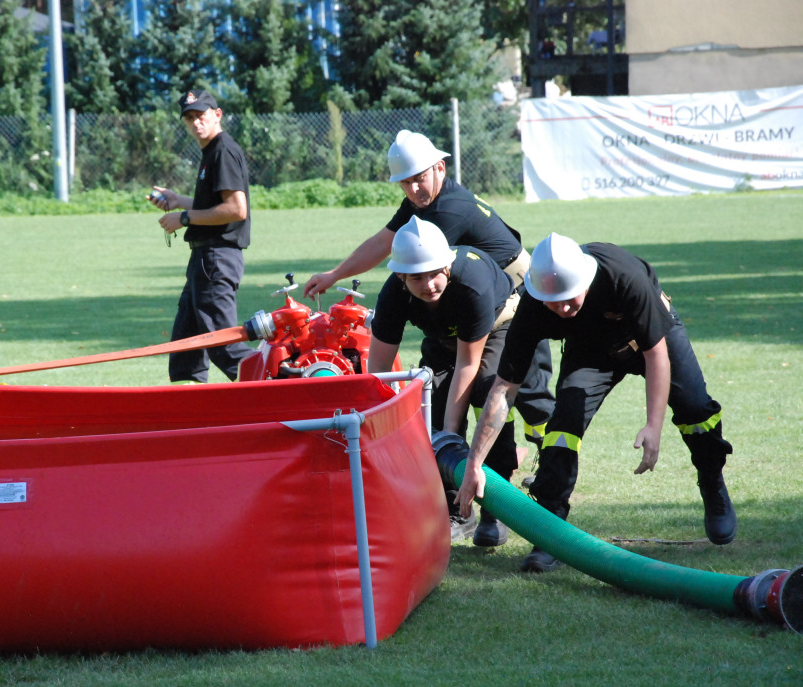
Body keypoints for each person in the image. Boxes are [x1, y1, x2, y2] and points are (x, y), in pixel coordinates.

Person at [455, 233, 737, 572]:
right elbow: (503, 388)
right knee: (562, 428)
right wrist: (474, 463)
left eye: (569, 299)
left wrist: (653, 425)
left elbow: (656, 354)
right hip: (590, 352)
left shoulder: (623, 277)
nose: (562, 308)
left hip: (650, 338)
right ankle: (549, 532)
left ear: (586, 279)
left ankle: (712, 482)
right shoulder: (532, 303)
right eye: (552, 302)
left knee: (695, 409)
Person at [303, 129, 553, 448]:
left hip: (519, 300)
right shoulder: (423, 204)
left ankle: (538, 466)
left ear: (440, 168)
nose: (413, 188)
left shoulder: (447, 212)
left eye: (419, 178)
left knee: (525, 396)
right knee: (477, 386)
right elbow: (384, 241)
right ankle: (493, 458)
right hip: (480, 298)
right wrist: (335, 274)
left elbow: (419, 274)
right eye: (405, 182)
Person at [367, 216, 555, 547]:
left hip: (498, 326)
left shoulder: (471, 282)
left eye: (435, 273)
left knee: (485, 393)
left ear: (448, 265)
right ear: (399, 276)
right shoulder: (393, 295)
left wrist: (452, 437)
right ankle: (455, 508)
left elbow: (468, 364)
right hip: (442, 340)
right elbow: (380, 369)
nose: (428, 284)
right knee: (428, 407)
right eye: (416, 278)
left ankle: (495, 507)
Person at [148, 89, 254, 383]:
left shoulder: (223, 151)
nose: (196, 123)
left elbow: (236, 209)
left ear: (217, 115)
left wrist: (183, 218)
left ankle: (284, 387)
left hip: (217, 257)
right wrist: (178, 200)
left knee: (222, 344)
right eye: (190, 118)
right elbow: (214, 207)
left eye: (201, 115)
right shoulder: (211, 152)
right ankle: (190, 412)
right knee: (186, 347)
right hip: (204, 258)